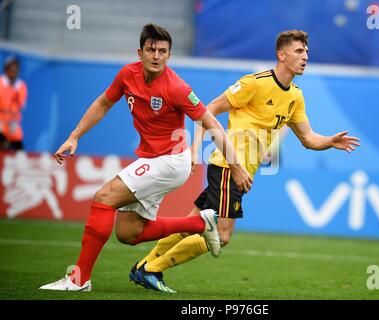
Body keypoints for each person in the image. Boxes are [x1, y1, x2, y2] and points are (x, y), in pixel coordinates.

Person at [130, 29, 361, 293]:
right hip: (229, 167)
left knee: (190, 223)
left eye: (307, 51)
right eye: (299, 51)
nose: (305, 56)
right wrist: (195, 148)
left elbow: (308, 139)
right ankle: (153, 269)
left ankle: (144, 264)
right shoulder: (254, 83)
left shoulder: (295, 96)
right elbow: (209, 110)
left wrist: (330, 141)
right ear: (281, 55)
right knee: (223, 235)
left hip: (238, 171)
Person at [39, 23, 252, 293]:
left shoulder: (176, 87)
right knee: (129, 234)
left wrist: (235, 167)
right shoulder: (128, 74)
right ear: (140, 52)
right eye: (151, 50)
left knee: (103, 199)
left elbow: (213, 125)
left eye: (162, 51)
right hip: (150, 159)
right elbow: (104, 102)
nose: (156, 56)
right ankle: (200, 222)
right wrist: (75, 135)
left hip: (171, 161)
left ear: (169, 56)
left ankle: (78, 279)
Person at [0, 56, 28, 151]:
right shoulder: (1, 83)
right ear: (6, 69)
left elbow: (22, 104)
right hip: (1, 125)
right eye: (11, 68)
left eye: (16, 69)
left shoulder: (21, 86)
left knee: (19, 152)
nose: (14, 72)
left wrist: (14, 90)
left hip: (13, 126)